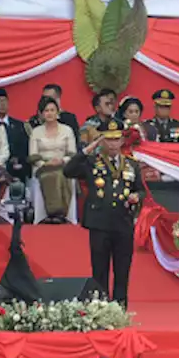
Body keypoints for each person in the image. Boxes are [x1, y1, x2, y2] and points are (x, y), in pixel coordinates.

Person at [64, 120, 141, 306]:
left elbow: (141, 189)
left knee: (122, 270)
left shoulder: (131, 164)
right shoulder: (91, 162)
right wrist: (89, 148)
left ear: (122, 140)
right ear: (102, 141)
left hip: (123, 222)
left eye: (116, 139)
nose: (113, 144)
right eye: (108, 140)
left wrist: (137, 197)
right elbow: (68, 170)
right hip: (100, 223)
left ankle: (120, 308)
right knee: (100, 270)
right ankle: (101, 307)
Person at [28, 96, 78, 225]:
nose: (49, 113)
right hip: (43, 166)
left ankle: (61, 213)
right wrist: (45, 163)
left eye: (52, 110)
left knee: (62, 174)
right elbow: (33, 155)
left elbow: (72, 153)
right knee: (51, 175)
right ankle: (54, 211)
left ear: (58, 112)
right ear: (41, 114)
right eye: (46, 111)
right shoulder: (36, 131)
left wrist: (62, 160)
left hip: (63, 164)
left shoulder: (67, 130)